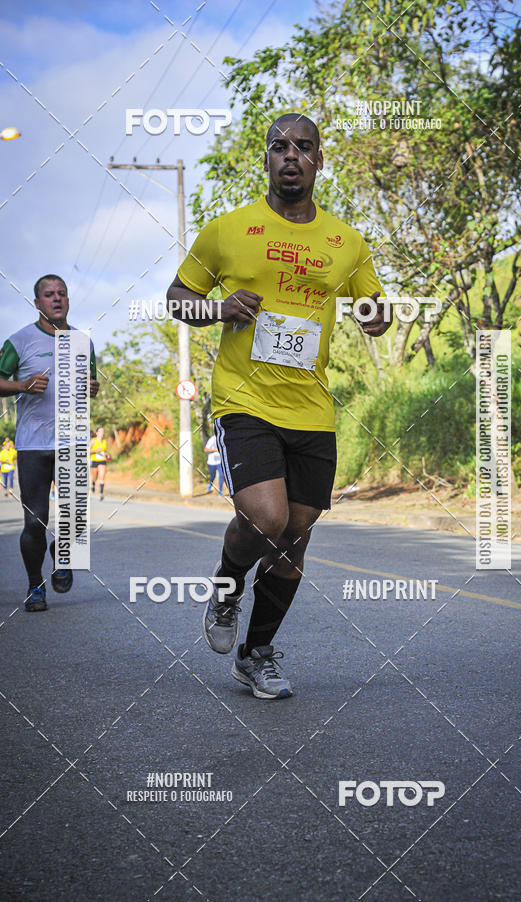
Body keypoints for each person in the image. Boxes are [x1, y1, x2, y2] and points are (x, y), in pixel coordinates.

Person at [166, 113, 390, 699]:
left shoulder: (347, 241)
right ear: (265, 159)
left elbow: (375, 306)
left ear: (319, 160)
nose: (291, 155)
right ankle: (226, 588)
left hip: (312, 408)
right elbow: (177, 298)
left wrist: (375, 316)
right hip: (245, 398)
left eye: (303, 147)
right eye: (278, 146)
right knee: (265, 517)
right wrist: (217, 310)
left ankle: (256, 652)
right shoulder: (228, 230)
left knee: (295, 532)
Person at [0, 274, 98, 612]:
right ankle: (36, 586)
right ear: (37, 303)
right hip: (33, 444)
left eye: (61, 293)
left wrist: (92, 389)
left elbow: (89, 384)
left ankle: (62, 556)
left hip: (72, 441)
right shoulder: (20, 341)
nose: (56, 298)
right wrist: (22, 386)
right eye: (49, 294)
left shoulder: (83, 342)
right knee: (35, 521)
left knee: (73, 520)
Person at [90, 426, 109, 501]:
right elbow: (88, 450)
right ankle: (93, 483)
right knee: (95, 477)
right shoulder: (93, 441)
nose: (102, 433)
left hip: (102, 460)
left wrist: (107, 455)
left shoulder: (104, 441)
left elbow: (103, 452)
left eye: (103, 431)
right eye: (100, 431)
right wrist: (95, 450)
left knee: (102, 476)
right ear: (97, 433)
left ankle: (101, 493)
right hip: (94, 460)